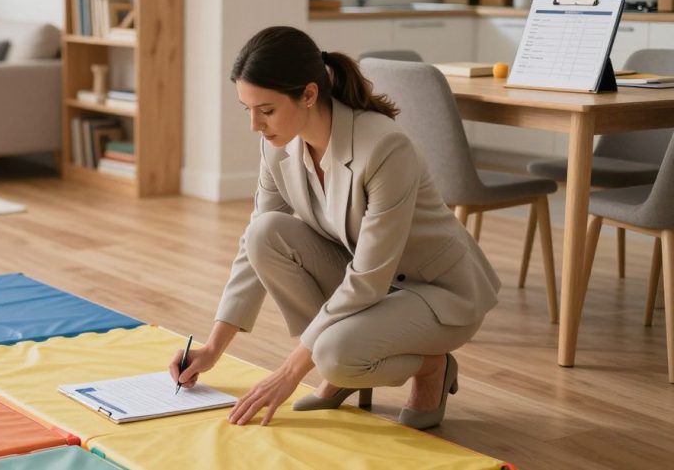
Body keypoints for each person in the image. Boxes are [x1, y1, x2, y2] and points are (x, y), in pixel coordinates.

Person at [168, 26, 501, 429]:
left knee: (333, 355)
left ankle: (431, 367)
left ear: (309, 95)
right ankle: (343, 362)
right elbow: (253, 246)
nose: (255, 124)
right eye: (248, 110)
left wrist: (290, 373)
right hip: (374, 283)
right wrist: (212, 347)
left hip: (436, 292)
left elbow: (368, 278)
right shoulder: (279, 145)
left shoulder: (384, 147)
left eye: (266, 110)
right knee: (264, 233)